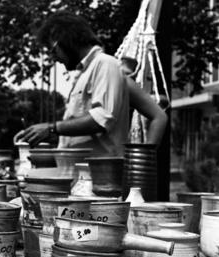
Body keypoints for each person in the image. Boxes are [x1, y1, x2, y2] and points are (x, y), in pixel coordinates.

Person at [14, 11, 167, 155]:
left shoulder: (105, 64)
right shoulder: (88, 73)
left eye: (53, 50)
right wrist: (42, 134)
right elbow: (158, 115)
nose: (54, 58)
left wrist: (142, 162)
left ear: (66, 40)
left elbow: (102, 118)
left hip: (99, 178)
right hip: (80, 176)